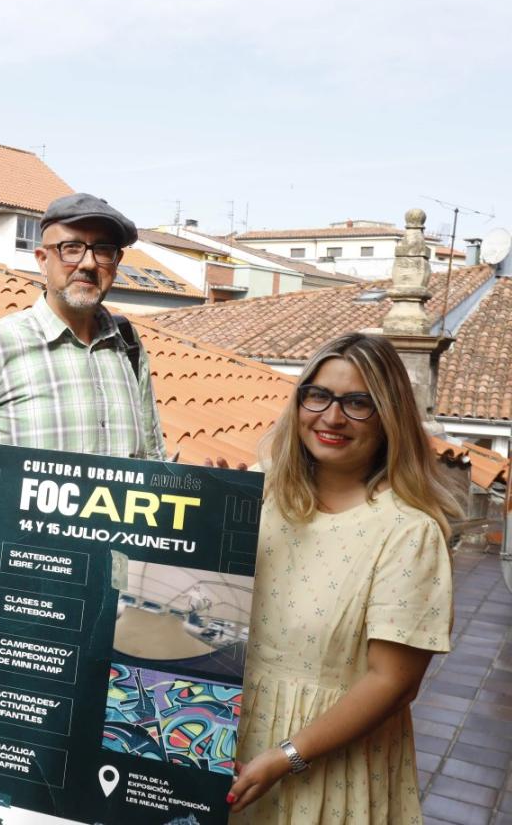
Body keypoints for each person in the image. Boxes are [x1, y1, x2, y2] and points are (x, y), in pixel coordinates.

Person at [228, 332, 458, 823]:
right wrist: (208, 518)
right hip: (228, 737)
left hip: (330, 763)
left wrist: (286, 757)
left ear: (389, 414)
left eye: (359, 403)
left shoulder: (407, 530)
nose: (332, 418)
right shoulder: (258, 490)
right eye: (319, 396)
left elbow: (393, 682)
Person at [0, 192, 165, 460]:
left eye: (103, 250)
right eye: (72, 248)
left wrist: (206, 485)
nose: (89, 263)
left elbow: (153, 462)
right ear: (43, 260)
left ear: (116, 264)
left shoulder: (128, 345)